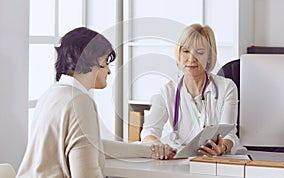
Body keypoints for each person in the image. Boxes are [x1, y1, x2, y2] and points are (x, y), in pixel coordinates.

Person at [16, 27, 174, 178]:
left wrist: (148, 150)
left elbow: (92, 146)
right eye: (106, 62)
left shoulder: (52, 94)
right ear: (92, 61)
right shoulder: (79, 102)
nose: (109, 71)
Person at [141, 24, 242, 157]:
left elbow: (230, 134)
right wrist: (158, 146)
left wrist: (222, 147)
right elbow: (149, 132)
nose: (191, 59)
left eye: (200, 52)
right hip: (181, 159)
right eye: (186, 51)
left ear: (209, 57)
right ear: (179, 53)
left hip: (216, 160)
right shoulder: (168, 91)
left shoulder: (227, 88)